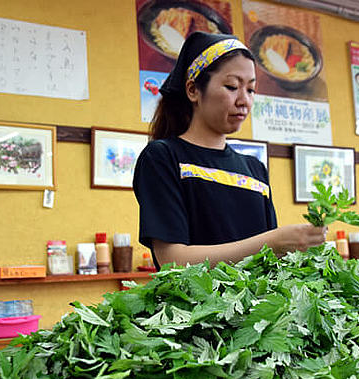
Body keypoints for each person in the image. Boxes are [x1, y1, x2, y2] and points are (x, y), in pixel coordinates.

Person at [133, 31, 326, 269]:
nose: (244, 100)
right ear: (193, 90)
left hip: (254, 305)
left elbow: (268, 262)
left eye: (251, 90)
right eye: (232, 86)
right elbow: (173, 261)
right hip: (196, 306)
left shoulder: (255, 169)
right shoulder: (163, 157)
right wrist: (273, 242)